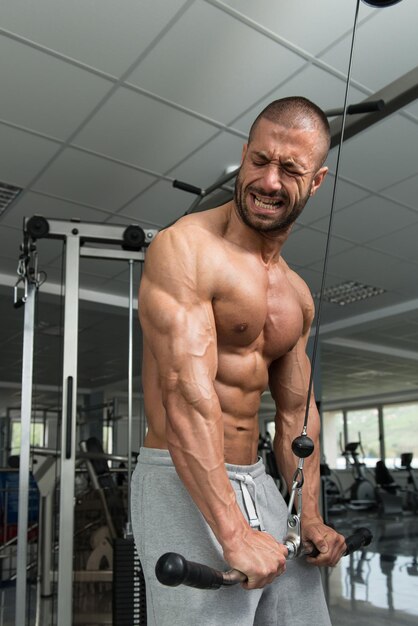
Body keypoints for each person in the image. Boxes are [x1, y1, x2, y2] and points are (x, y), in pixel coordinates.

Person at [131, 96, 346, 626]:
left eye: (290, 169)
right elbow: (186, 393)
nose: (269, 181)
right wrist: (231, 533)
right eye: (260, 161)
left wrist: (310, 515)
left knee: (303, 614)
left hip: (256, 477)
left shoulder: (296, 295)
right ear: (245, 154)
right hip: (178, 472)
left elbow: (297, 415)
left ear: (315, 182)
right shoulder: (185, 249)